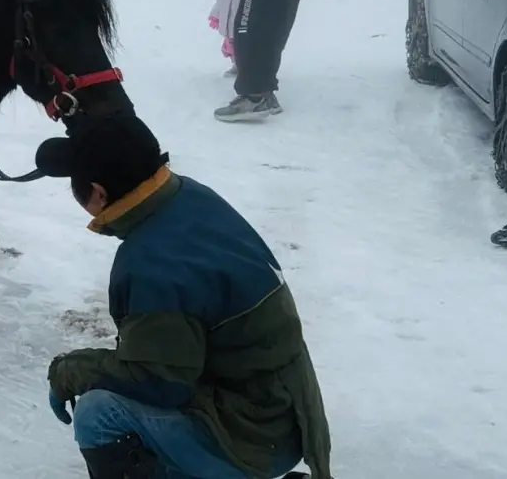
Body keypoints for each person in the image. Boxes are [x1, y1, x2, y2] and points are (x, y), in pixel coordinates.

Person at [34, 114, 333, 479]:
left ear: (99, 193)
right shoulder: (187, 197)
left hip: (254, 435)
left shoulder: (151, 261)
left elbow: (158, 382)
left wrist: (71, 370)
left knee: (99, 414)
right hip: (286, 412)